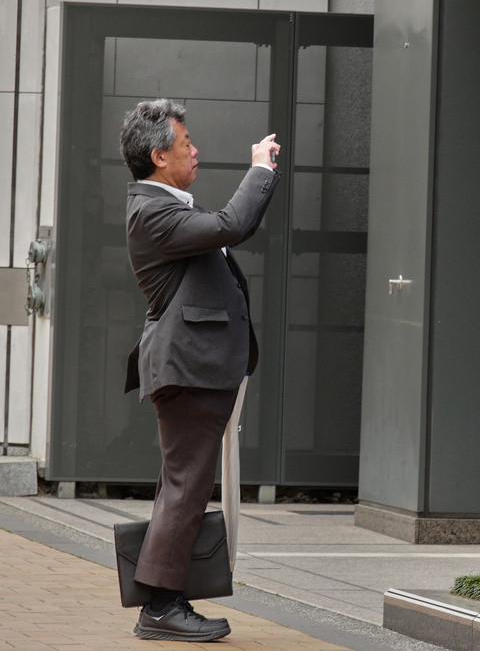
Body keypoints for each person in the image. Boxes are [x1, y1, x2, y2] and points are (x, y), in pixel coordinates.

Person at [120, 99, 280, 642]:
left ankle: (165, 600)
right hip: (188, 369)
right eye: (186, 143)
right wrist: (259, 169)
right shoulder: (153, 211)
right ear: (158, 156)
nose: (195, 151)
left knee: (183, 486)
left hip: (194, 368)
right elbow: (233, 224)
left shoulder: (164, 206)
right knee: (186, 486)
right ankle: (161, 606)